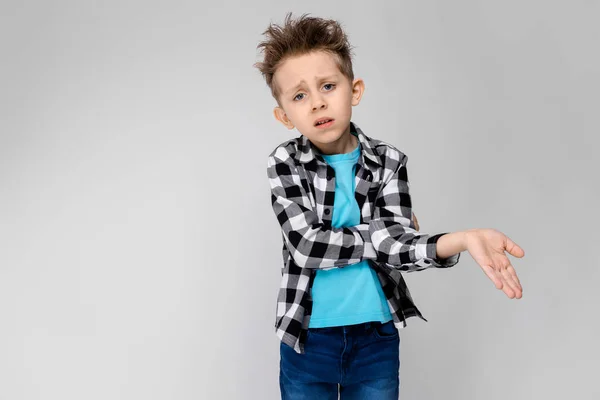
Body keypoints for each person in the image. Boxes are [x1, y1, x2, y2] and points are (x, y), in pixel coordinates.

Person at [254, 12, 525, 399]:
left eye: (328, 86)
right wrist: (382, 234)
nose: (316, 103)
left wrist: (461, 239)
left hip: (374, 339)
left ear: (355, 90)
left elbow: (399, 251)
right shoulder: (285, 162)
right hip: (306, 336)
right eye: (300, 96)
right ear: (284, 116)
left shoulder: (389, 162)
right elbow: (306, 246)